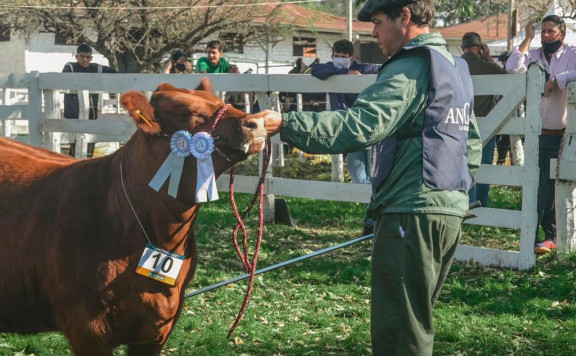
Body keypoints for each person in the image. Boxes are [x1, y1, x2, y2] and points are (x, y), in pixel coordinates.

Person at [263, 1, 481, 355]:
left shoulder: (411, 67)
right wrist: (454, 194)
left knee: (399, 332)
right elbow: (471, 144)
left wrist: (286, 123)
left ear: (405, 17)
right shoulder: (454, 67)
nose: (373, 34)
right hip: (447, 210)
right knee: (415, 322)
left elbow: (362, 123)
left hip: (411, 211)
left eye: (378, 23)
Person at [506, 15, 576, 254]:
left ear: (562, 34)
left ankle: (551, 236)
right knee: (537, 185)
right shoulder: (534, 54)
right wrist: (527, 37)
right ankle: (536, 235)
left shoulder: (571, 54)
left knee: (553, 186)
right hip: (536, 135)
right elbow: (512, 68)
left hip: (563, 134)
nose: (545, 35)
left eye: (550, 31)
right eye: (543, 31)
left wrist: (558, 79)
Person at [310, 39, 380, 236]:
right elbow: (316, 71)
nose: (339, 60)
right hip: (348, 131)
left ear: (352, 58)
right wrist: (344, 72)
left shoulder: (364, 69)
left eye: (344, 58)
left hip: (369, 128)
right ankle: (373, 218)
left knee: (374, 175)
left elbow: (381, 69)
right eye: (337, 57)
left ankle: (371, 222)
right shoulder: (329, 70)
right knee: (359, 178)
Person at [460, 32, 505, 208]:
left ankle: (466, 203)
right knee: (484, 166)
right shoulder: (489, 67)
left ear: (463, 48)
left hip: (460, 123)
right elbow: (509, 79)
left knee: (463, 166)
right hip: (487, 123)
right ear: (480, 48)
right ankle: (481, 204)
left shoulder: (456, 65)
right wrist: (488, 58)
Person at [62, 43, 116, 158]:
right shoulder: (70, 67)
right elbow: (63, 79)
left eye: (88, 57)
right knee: (74, 142)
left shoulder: (97, 68)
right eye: (82, 56)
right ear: (77, 57)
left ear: (91, 58)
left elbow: (114, 74)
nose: (85, 59)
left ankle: (88, 161)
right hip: (73, 112)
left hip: (91, 112)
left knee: (90, 141)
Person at [496, 51, 513, 165]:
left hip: (515, 109)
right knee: (502, 137)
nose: (505, 63)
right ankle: (501, 160)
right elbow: (497, 89)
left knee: (513, 138)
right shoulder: (501, 73)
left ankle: (511, 161)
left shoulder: (518, 71)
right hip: (502, 108)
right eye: (504, 61)